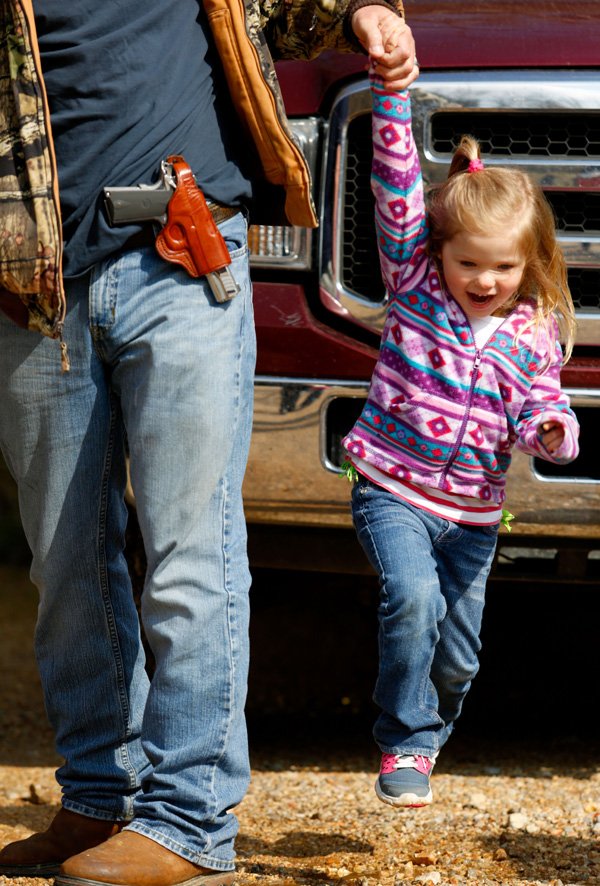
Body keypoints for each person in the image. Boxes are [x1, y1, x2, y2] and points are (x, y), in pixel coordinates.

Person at [0, 2, 418, 885]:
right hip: (28, 279)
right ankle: (100, 797)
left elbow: (297, 11)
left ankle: (189, 818)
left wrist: (364, 12)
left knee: (191, 549)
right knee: (64, 561)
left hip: (182, 248)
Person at [342, 64, 580, 809]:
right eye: (468, 262)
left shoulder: (534, 332)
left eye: (503, 266)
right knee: (410, 599)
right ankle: (402, 742)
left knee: (459, 659)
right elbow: (395, 186)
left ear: (530, 260)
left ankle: (428, 732)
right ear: (438, 252)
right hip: (393, 489)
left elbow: (544, 405)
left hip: (474, 517)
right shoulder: (414, 287)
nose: (484, 280)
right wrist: (390, 97)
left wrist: (551, 432)